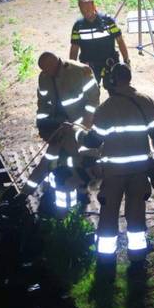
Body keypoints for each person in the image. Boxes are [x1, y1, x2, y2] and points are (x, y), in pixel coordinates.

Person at [78, 63, 154, 272]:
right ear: (129, 78)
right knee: (137, 213)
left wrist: (79, 136)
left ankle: (105, 260)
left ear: (111, 82)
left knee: (109, 214)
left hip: (114, 173)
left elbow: (94, 141)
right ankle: (138, 259)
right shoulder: (147, 102)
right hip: (140, 171)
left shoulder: (106, 108)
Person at [24, 52, 100, 213]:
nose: (46, 73)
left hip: (79, 126)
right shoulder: (44, 78)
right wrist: (42, 126)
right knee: (56, 161)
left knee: (75, 162)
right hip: (59, 128)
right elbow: (43, 105)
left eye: (48, 70)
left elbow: (93, 100)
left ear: (56, 63)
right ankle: (67, 193)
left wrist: (83, 125)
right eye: (43, 71)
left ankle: (80, 194)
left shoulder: (80, 72)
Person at [69, 0, 130, 85]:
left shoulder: (108, 21)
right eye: (83, 10)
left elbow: (120, 41)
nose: (86, 12)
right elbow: (74, 48)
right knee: (90, 93)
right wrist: (72, 67)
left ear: (94, 6)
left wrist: (126, 60)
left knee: (115, 89)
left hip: (109, 62)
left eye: (88, 9)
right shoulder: (78, 26)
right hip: (89, 65)